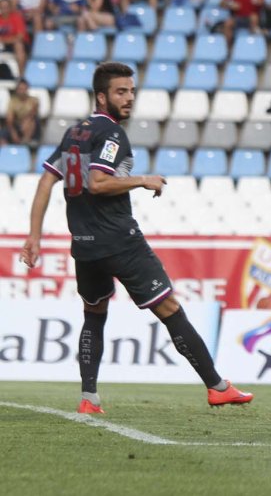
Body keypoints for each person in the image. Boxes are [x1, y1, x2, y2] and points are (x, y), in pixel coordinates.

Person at [21, 62, 254, 415]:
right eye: (120, 92)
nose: (129, 98)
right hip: (119, 240)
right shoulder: (112, 134)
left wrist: (33, 237)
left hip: (84, 244)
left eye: (131, 91)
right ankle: (217, 387)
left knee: (94, 313)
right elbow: (99, 182)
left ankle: (89, 398)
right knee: (170, 309)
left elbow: (45, 182)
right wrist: (142, 179)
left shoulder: (75, 133)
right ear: (102, 96)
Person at [4, 79, 38, 146]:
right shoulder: (12, 101)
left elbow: (32, 113)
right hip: (16, 124)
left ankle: (26, 142)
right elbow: (9, 120)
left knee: (32, 122)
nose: (22, 91)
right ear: (17, 90)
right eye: (20, 89)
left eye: (24, 89)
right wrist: (13, 133)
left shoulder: (34, 100)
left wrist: (26, 121)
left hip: (29, 124)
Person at [0, 0, 29, 75]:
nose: (4, 9)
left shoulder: (17, 18)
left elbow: (20, 37)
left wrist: (4, 40)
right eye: (2, 7)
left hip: (17, 45)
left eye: (6, 7)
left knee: (18, 45)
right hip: (3, 45)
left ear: (10, 8)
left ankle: (21, 75)